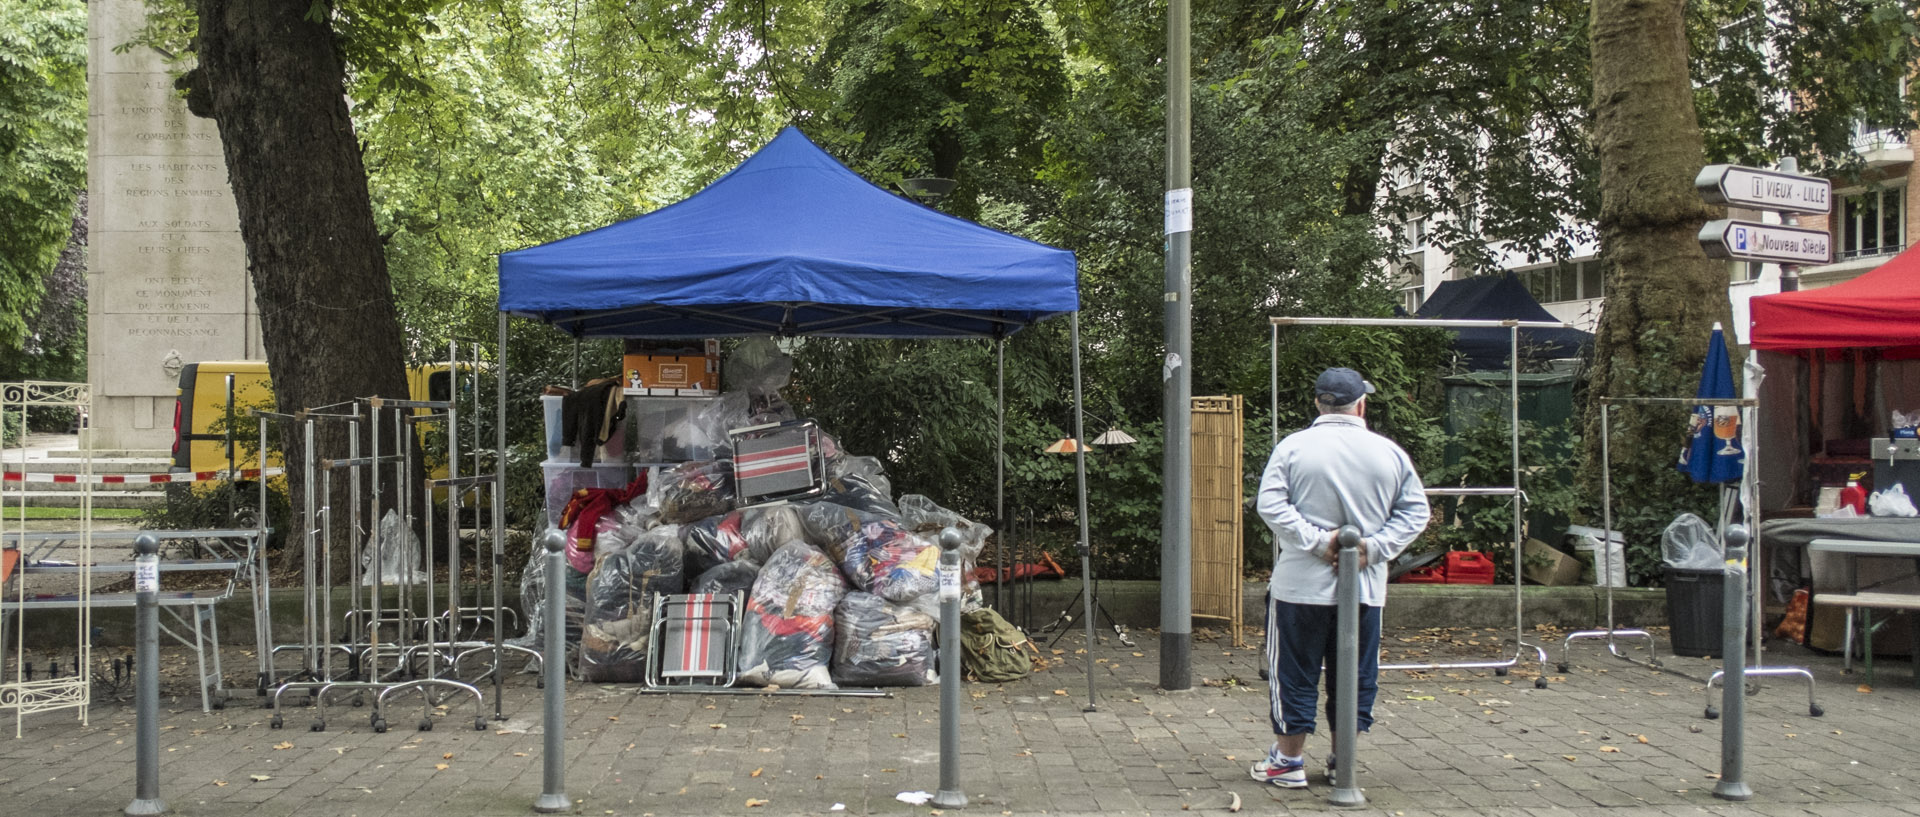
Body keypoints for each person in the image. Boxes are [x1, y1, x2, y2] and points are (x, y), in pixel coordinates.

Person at [1250, 367, 1430, 788]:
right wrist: (1373, 548)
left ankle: (1288, 760)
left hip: (1300, 585)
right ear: (1361, 404)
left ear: (1318, 402)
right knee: (1355, 674)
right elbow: (1416, 511)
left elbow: (1271, 505)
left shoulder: (1293, 448)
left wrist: (1317, 542)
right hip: (1365, 587)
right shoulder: (1388, 453)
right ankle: (1341, 759)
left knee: (1293, 673)